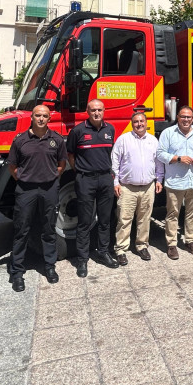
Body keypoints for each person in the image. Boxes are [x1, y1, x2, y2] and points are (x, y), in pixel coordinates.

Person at [7, 104, 67, 290]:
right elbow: (12, 167)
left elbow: (62, 164)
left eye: (45, 116)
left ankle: (49, 266)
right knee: (21, 229)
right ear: (31, 117)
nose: (41, 119)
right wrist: (27, 180)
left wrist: (49, 177)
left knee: (48, 229)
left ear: (50, 119)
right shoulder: (20, 140)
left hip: (49, 189)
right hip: (26, 191)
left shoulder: (56, 140)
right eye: (38, 115)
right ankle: (17, 271)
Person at [66, 99, 118, 277]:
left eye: (100, 110)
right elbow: (71, 155)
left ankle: (103, 252)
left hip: (105, 178)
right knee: (84, 222)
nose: (97, 113)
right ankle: (82, 259)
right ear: (87, 111)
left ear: (104, 111)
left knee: (105, 219)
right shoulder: (78, 131)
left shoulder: (110, 130)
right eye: (93, 110)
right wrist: (80, 171)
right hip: (85, 180)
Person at [111, 111, 164, 265]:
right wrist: (116, 182)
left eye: (142, 121)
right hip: (127, 187)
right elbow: (114, 162)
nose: (139, 124)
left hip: (148, 187)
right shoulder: (123, 140)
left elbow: (159, 162)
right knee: (124, 219)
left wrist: (159, 179)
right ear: (132, 124)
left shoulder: (153, 140)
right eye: (136, 122)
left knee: (145, 219)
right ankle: (121, 249)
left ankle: (142, 246)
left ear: (146, 123)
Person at [157, 106, 193, 259]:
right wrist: (178, 158)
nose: (186, 120)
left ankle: (190, 240)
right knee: (173, 213)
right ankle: (172, 244)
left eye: (189, 117)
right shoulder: (168, 133)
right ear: (178, 117)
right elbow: (160, 154)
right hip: (175, 181)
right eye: (183, 117)